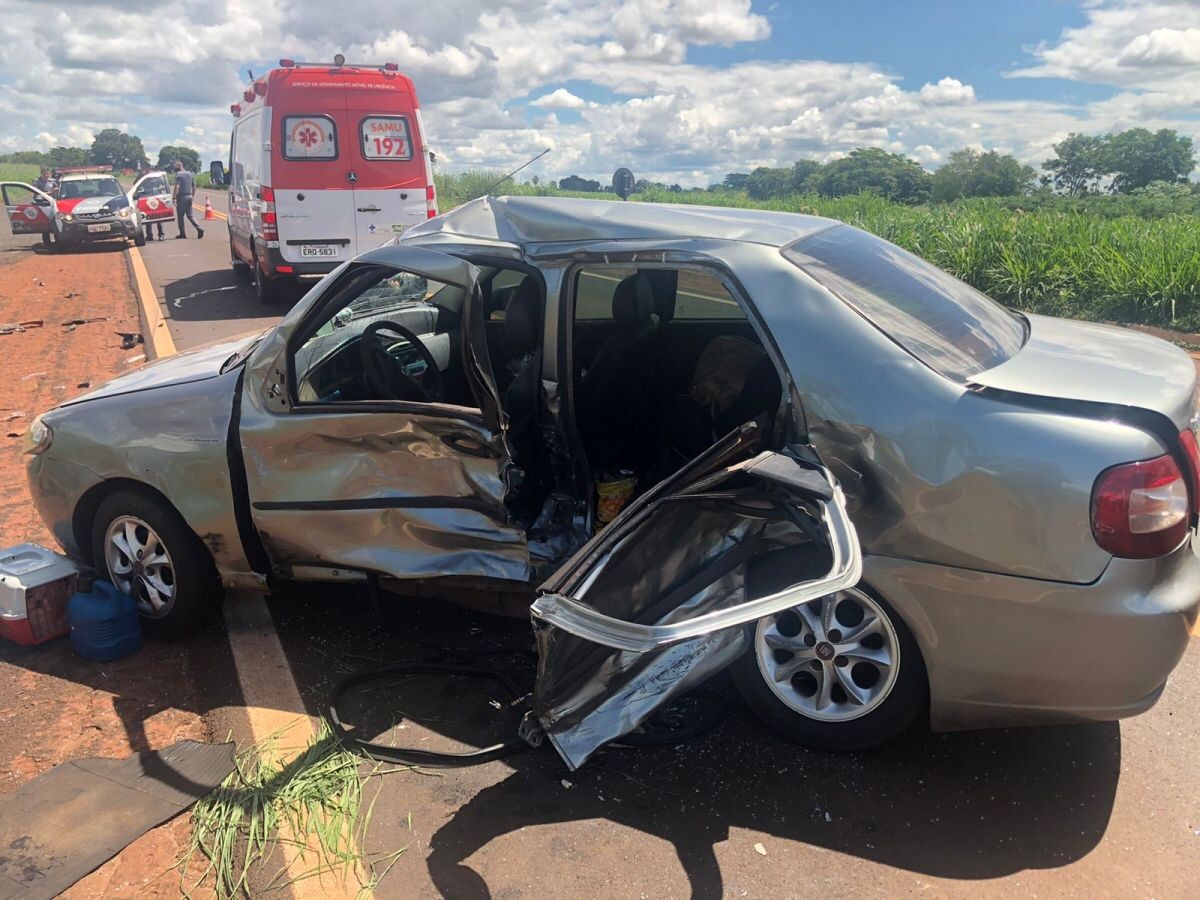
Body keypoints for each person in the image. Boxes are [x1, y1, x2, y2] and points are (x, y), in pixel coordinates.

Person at [172, 160, 203, 239]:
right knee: (190, 215)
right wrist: (192, 196)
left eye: (175, 167)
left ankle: (182, 234)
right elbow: (194, 187)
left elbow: (177, 186)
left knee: (180, 216)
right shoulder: (190, 174)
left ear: (178, 167)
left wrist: (174, 197)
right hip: (189, 196)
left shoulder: (178, 175)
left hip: (181, 197)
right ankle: (199, 227)